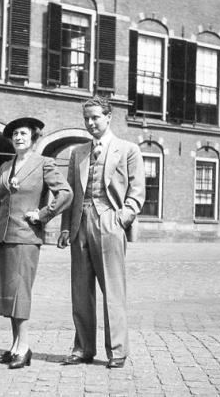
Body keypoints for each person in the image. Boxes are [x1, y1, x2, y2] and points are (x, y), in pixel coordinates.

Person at [57, 96, 145, 369]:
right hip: (79, 224)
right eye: (87, 118)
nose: (91, 123)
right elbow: (70, 193)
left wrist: (122, 218)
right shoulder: (78, 152)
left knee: (113, 290)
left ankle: (117, 352)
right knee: (80, 291)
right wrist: (64, 227)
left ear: (109, 117)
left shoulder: (128, 149)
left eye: (95, 117)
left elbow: (137, 191)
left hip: (109, 221)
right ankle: (83, 348)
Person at [0, 117, 73, 369]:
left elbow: (66, 193)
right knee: (6, 293)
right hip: (3, 237)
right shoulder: (5, 167)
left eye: (23, 133)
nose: (18, 137)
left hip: (25, 237)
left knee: (20, 292)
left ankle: (23, 347)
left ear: (34, 138)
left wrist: (43, 213)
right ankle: (15, 345)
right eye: (14, 134)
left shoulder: (44, 163)